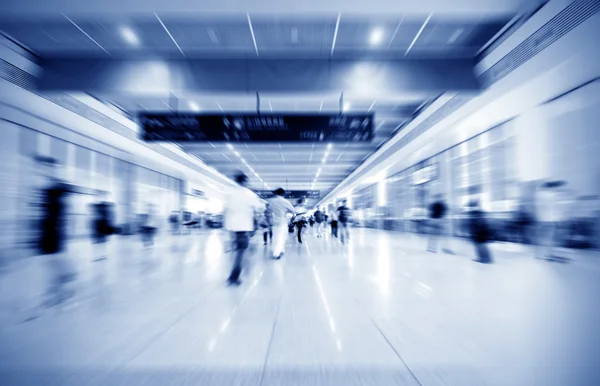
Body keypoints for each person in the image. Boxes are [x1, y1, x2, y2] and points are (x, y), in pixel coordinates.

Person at [224, 173, 261, 285]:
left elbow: (226, 209)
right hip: (243, 227)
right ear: (245, 181)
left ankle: (233, 275)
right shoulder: (249, 194)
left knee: (237, 251)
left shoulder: (230, 192)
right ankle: (233, 277)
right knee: (240, 252)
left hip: (231, 226)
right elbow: (259, 208)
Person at [267, 188, 296, 259]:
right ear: (283, 194)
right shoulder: (285, 201)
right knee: (281, 237)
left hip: (274, 221)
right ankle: (276, 253)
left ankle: (281, 250)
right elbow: (293, 210)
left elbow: (269, 210)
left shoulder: (271, 201)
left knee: (275, 237)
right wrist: (287, 212)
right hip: (282, 221)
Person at [91, 192, 116, 262]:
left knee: (101, 241)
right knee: (99, 241)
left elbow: (109, 217)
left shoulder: (104, 207)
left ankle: (101, 255)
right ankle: (100, 255)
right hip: (99, 225)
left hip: (102, 225)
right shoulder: (100, 207)